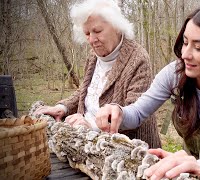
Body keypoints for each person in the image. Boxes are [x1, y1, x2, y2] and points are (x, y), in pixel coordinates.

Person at [95, 4, 200, 180]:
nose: (185, 54)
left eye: (199, 48)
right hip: (187, 164)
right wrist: (119, 112)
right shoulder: (175, 74)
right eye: (185, 42)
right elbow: (139, 112)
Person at [34, 0, 161, 148]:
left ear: (117, 26)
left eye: (97, 31)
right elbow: (85, 91)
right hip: (85, 142)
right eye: (87, 33)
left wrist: (92, 126)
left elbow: (134, 113)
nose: (92, 40)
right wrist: (63, 108)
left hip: (130, 152)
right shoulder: (93, 56)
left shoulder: (138, 59)